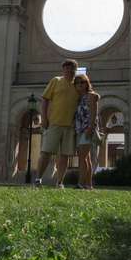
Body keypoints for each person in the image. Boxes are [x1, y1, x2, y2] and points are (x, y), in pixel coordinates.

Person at [34, 59, 80, 188]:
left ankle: (60, 182)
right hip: (54, 123)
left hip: (70, 126)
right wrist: (44, 119)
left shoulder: (77, 85)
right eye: (67, 68)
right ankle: (38, 179)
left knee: (65, 155)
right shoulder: (56, 80)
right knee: (46, 152)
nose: (69, 71)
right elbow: (45, 100)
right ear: (63, 70)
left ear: (75, 70)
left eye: (72, 69)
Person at [73, 73, 100, 189]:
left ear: (87, 83)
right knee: (86, 158)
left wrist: (90, 128)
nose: (80, 85)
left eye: (82, 82)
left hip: (87, 129)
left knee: (82, 157)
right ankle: (89, 185)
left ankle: (80, 183)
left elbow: (94, 114)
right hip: (80, 130)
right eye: (77, 83)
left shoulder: (91, 96)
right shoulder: (79, 98)